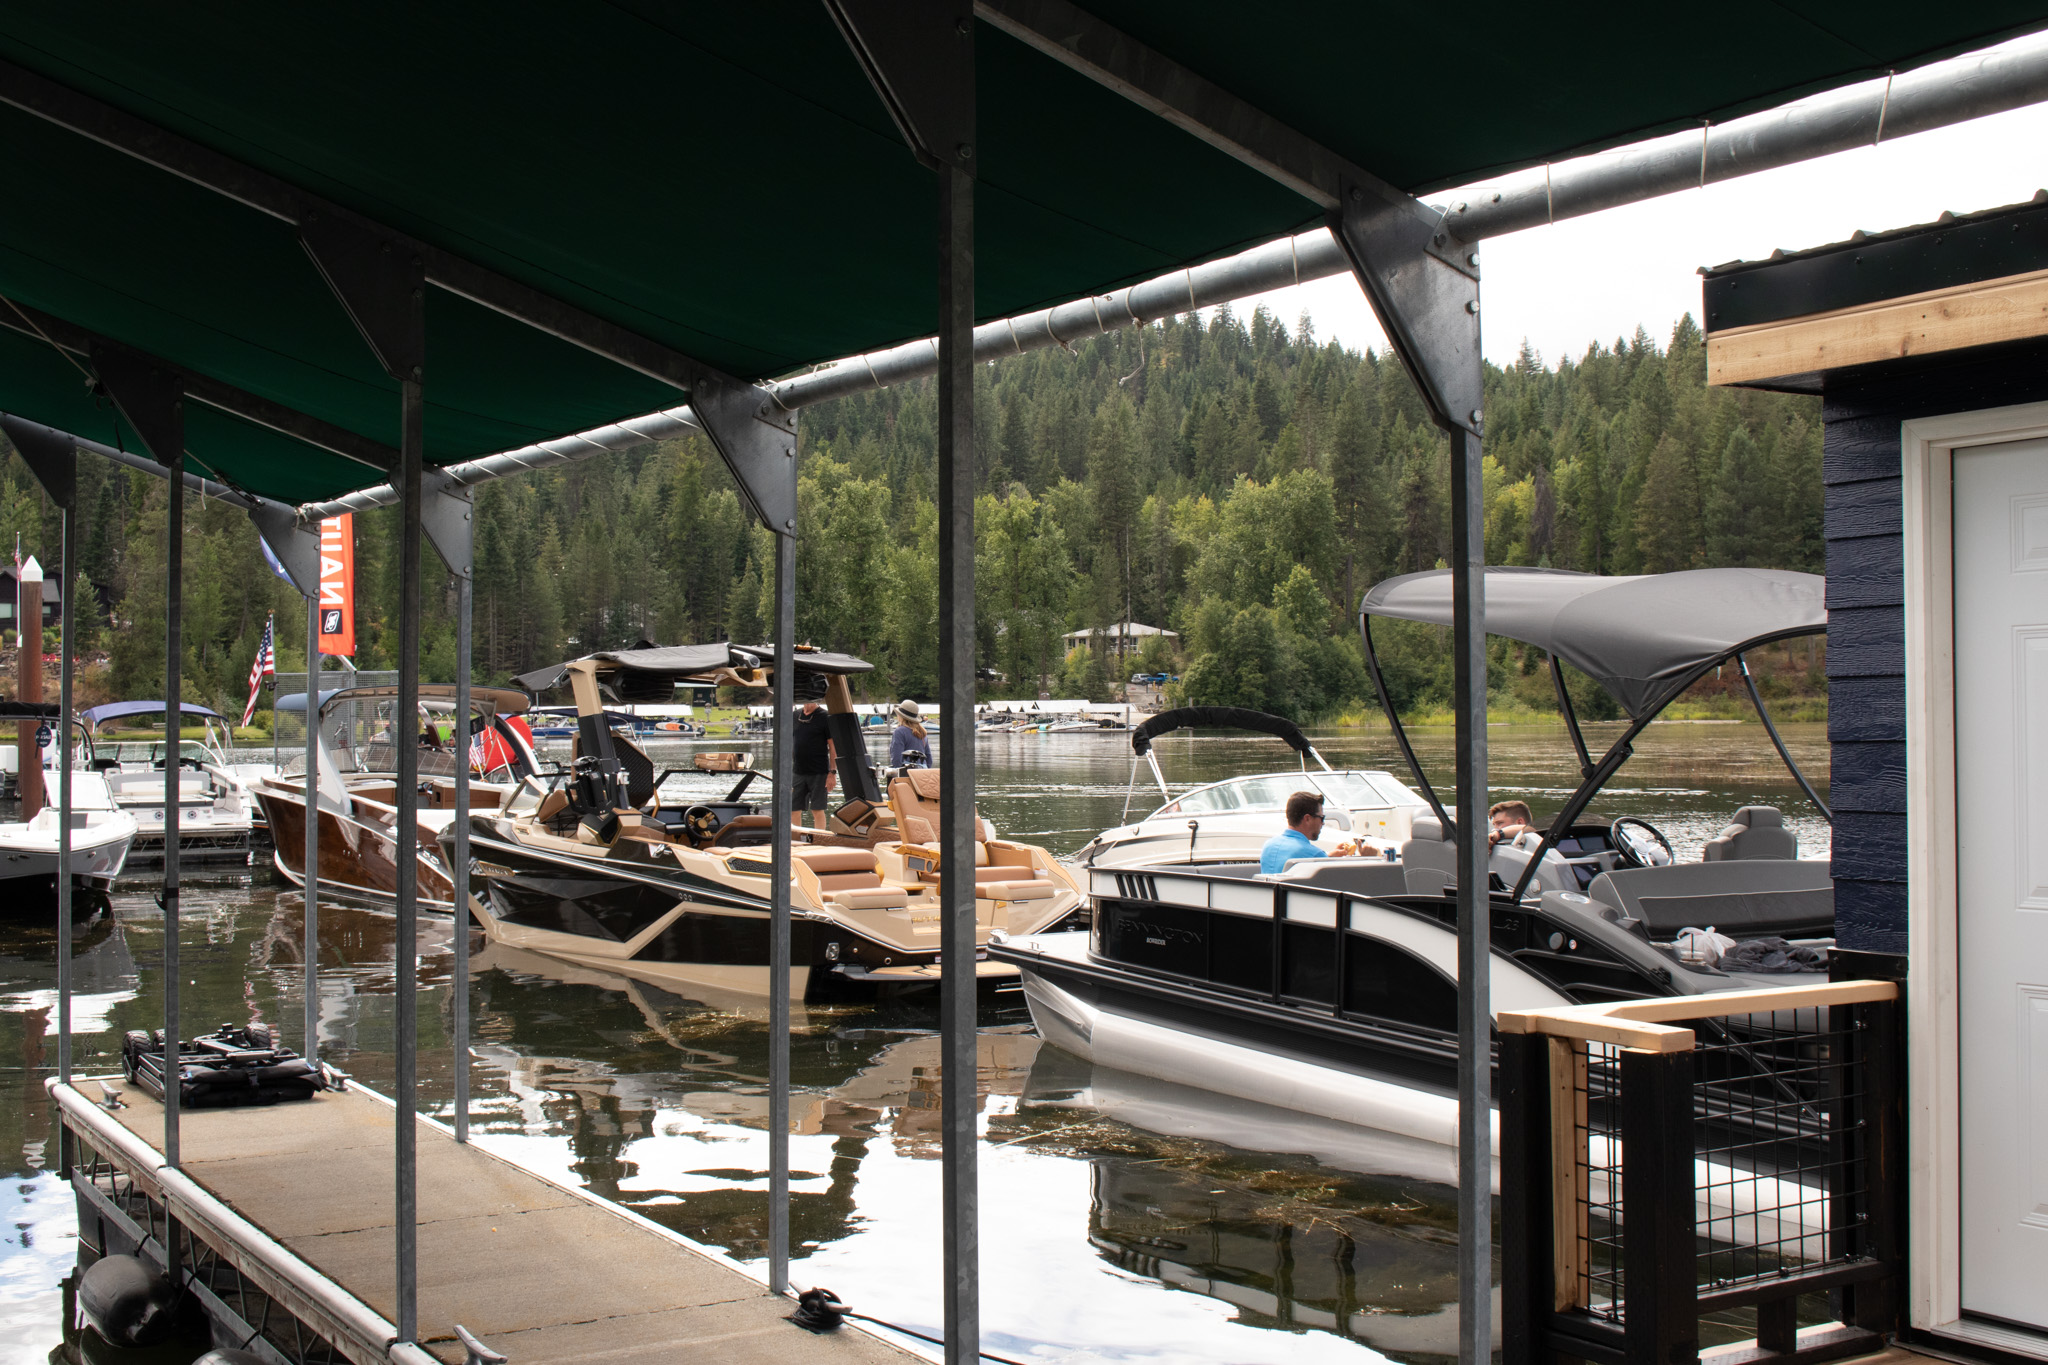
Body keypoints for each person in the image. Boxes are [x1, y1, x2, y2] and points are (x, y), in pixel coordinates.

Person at [1258, 790, 1358, 874]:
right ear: (1307, 819)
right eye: (1322, 818)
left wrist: (1328, 857)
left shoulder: (1268, 846)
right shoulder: (1314, 855)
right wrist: (1367, 858)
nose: (1323, 823)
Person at [791, 699, 836, 831]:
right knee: (794, 809)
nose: (807, 704)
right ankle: (796, 840)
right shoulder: (795, 716)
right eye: (805, 700)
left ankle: (820, 839)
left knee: (817, 810)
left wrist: (832, 772)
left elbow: (833, 747)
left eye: (810, 701)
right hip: (798, 771)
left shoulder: (825, 716)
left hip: (819, 772)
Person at [888, 699, 928, 767]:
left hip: (907, 772)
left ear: (901, 716)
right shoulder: (922, 732)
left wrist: (898, 773)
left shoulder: (899, 731)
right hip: (923, 772)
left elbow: (897, 757)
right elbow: (929, 758)